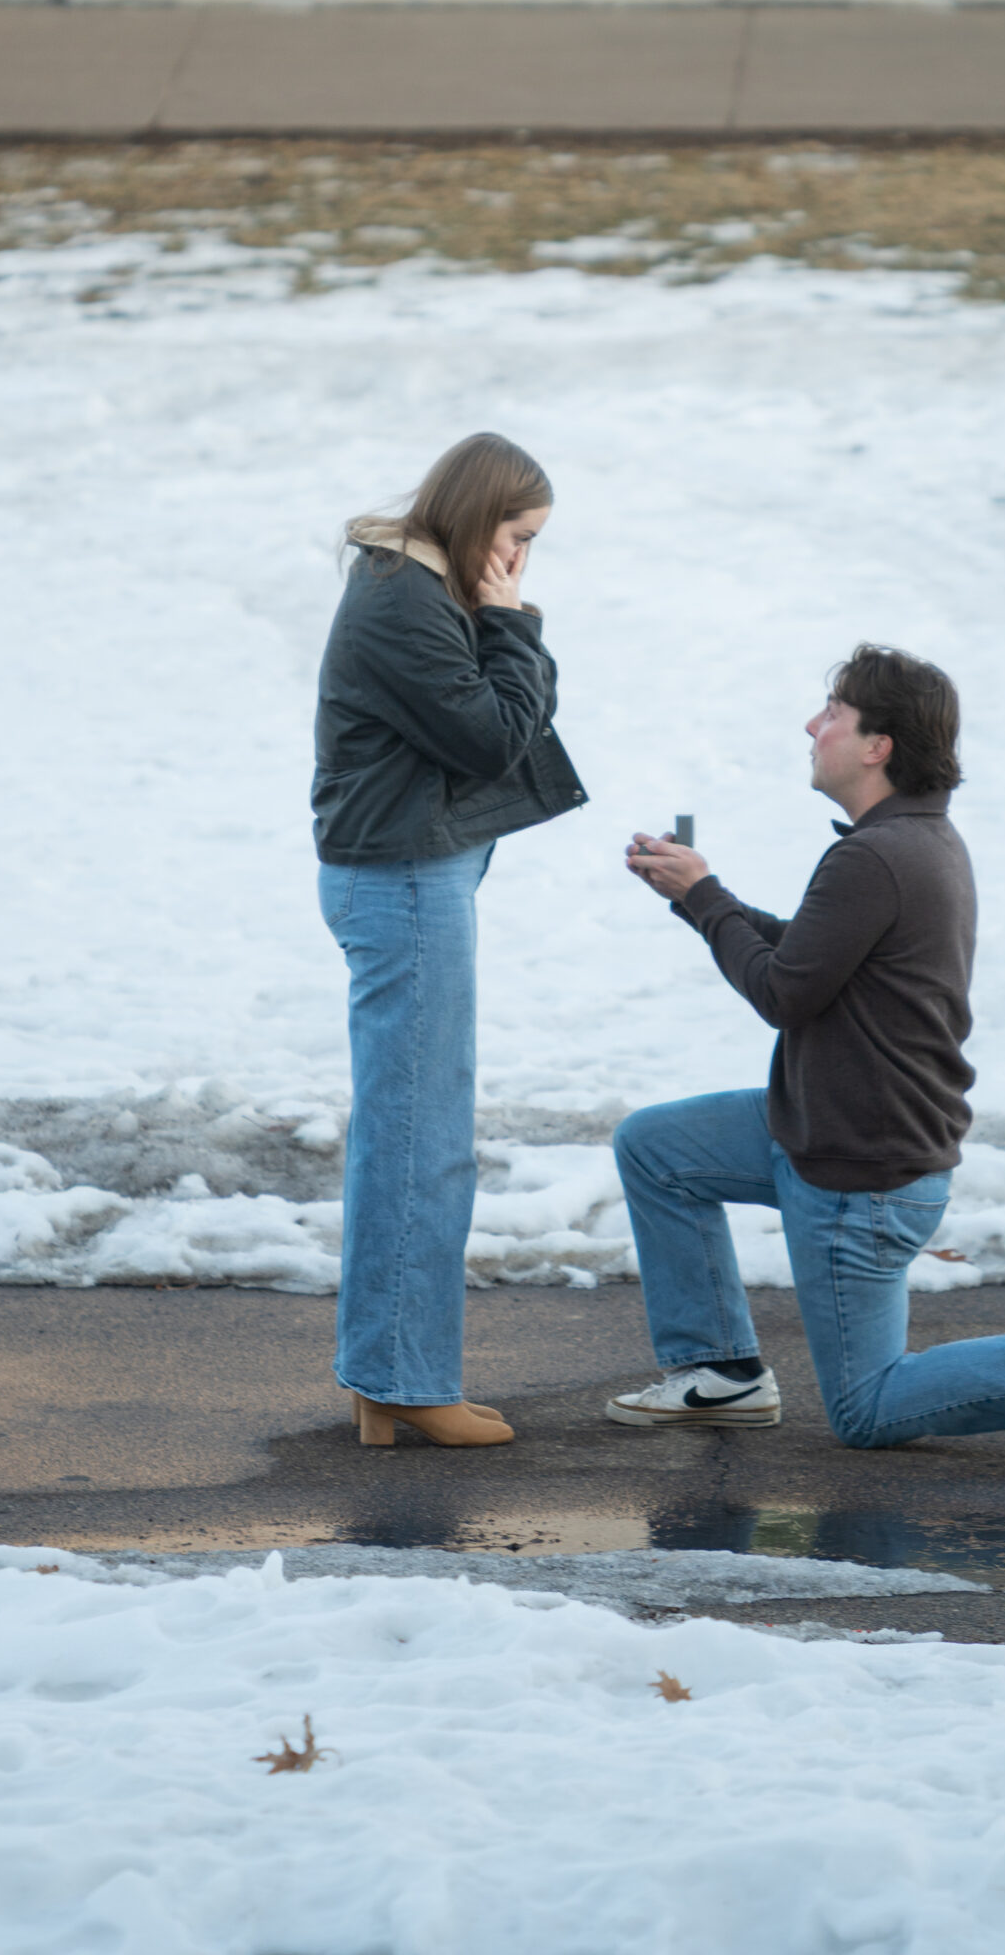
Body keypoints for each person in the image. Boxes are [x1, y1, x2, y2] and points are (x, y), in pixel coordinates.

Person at [610, 645, 1005, 1457]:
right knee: (655, 1147)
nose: (812, 726)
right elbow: (811, 953)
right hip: (823, 1127)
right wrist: (698, 898)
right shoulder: (916, 840)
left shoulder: (875, 856)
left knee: (867, 1409)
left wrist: (706, 896)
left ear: (879, 746)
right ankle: (720, 1371)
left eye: (832, 712)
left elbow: (782, 994)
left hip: (858, 1173)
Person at [314, 432, 586, 1449]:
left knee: (410, 1131)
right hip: (403, 879)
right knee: (421, 1143)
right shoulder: (403, 601)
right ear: (477, 518)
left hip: (411, 870)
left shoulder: (416, 590)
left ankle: (386, 1377)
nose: (521, 559)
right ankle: (402, 1380)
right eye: (519, 537)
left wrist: (502, 618)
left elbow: (494, 725)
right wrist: (513, 622)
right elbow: (494, 736)